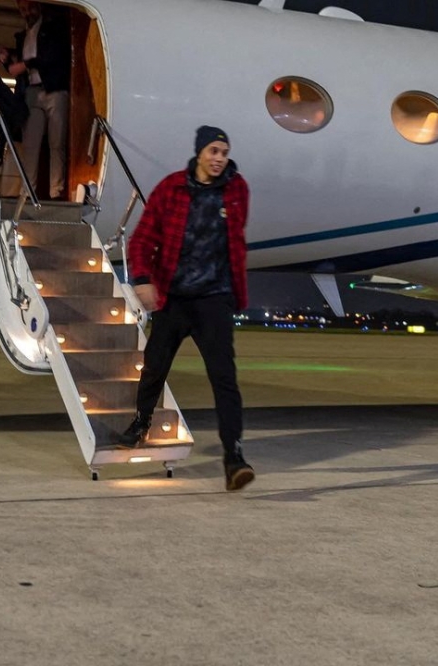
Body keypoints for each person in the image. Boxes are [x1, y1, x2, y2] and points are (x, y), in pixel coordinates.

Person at [117, 126, 255, 492]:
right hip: (174, 297)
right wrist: (143, 279)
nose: (219, 158)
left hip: (215, 299)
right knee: (154, 367)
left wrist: (232, 292)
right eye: (213, 151)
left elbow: (235, 240)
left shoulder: (237, 189)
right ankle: (141, 421)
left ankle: (234, 457)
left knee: (224, 379)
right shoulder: (171, 188)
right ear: (199, 153)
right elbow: (142, 238)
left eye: (224, 152)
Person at [9, 0, 70, 200]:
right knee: (31, 145)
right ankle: (27, 191)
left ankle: (56, 191)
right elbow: (20, 68)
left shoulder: (54, 28)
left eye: (30, 7)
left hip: (54, 89)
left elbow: (51, 55)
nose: (27, 12)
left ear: (38, 5)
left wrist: (25, 65)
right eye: (23, 9)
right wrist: (9, 61)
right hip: (32, 91)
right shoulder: (22, 36)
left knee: (56, 142)